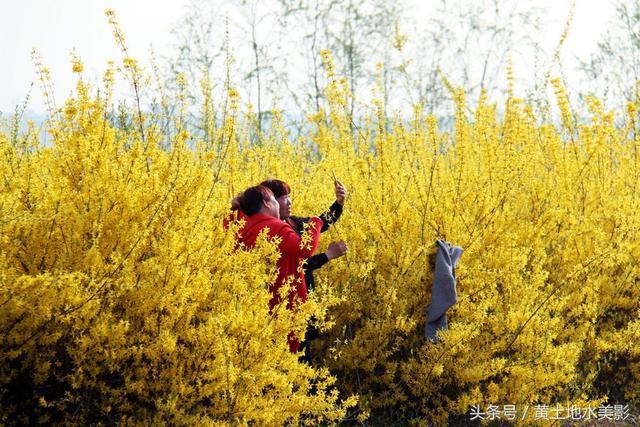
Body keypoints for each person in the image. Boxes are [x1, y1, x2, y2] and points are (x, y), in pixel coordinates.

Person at [260, 178, 348, 363]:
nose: (289, 201)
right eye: (283, 197)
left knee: (302, 352)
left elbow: (321, 223)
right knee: (294, 357)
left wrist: (338, 203)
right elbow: (291, 267)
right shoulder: (271, 232)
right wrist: (327, 256)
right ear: (270, 203)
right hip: (286, 303)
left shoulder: (292, 223)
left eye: (289, 196)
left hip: (302, 298)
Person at [229, 185, 324, 353]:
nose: (279, 205)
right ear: (266, 204)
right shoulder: (275, 227)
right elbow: (305, 248)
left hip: (260, 305)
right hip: (286, 304)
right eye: (274, 200)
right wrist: (315, 223)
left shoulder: (245, 228)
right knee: (293, 360)